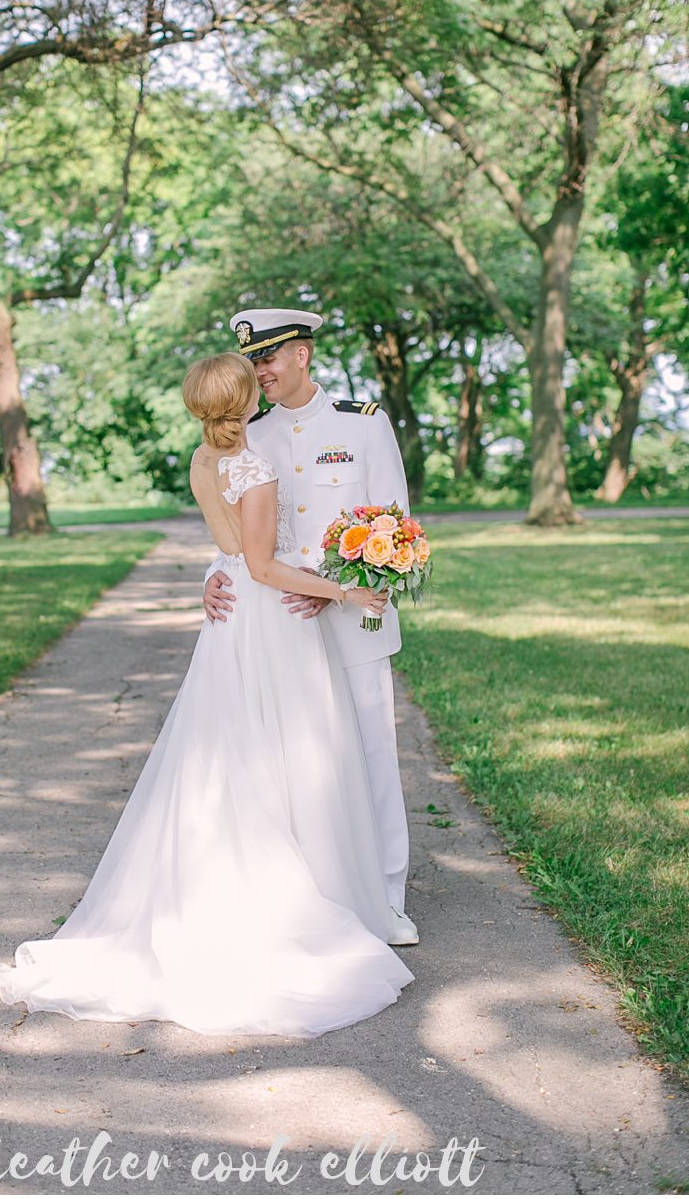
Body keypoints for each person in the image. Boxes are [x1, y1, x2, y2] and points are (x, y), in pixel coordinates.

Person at [0, 352, 414, 1038]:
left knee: (231, 750)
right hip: (271, 621)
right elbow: (267, 565)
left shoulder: (202, 460)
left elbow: (232, 555)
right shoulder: (257, 465)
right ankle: (292, 891)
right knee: (290, 751)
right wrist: (342, 589)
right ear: (243, 399)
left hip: (230, 622)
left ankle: (241, 881)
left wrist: (220, 575)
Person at [202, 307, 418, 942]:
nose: (259, 369)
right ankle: (315, 894)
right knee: (292, 763)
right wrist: (209, 581)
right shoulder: (251, 434)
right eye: (253, 359)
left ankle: (386, 898)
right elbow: (235, 538)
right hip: (278, 631)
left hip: (351, 624)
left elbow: (396, 530)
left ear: (303, 353)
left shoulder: (363, 426)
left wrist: (339, 592)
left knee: (371, 753)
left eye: (269, 356)